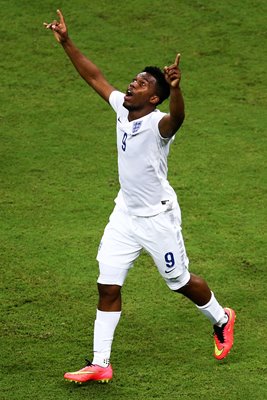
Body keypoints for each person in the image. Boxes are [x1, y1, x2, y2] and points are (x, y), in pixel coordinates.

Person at [44, 10, 236, 384]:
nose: (132, 85)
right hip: (125, 213)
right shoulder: (122, 109)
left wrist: (177, 89)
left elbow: (177, 119)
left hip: (157, 217)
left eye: (142, 83)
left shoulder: (158, 124)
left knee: (179, 281)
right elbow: (95, 76)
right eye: (134, 80)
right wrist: (67, 42)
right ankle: (101, 363)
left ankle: (222, 318)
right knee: (108, 283)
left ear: (154, 98)